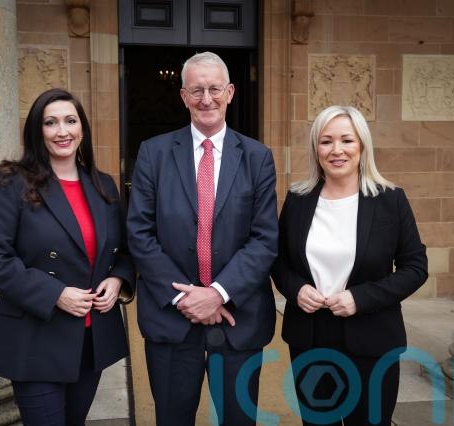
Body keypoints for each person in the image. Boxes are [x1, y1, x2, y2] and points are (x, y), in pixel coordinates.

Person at [127, 51, 278, 425]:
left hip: (238, 319)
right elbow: (139, 233)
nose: (206, 99)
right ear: (183, 96)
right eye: (196, 90)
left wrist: (217, 294)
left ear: (230, 92)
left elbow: (264, 239)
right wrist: (185, 297)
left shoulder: (258, 157)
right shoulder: (153, 153)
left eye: (214, 89)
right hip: (171, 319)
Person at [0, 88, 135, 425]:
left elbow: (124, 250)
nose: (62, 131)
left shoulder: (103, 185)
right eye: (51, 123)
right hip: (36, 338)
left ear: (82, 128)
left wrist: (117, 279)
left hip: (90, 339)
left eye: (70, 121)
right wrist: (55, 294)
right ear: (38, 130)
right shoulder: (12, 181)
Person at [271, 105, 428, 426]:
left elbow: (415, 267)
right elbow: (278, 260)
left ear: (362, 145)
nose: (336, 150)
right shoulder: (298, 199)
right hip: (310, 338)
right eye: (326, 141)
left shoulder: (391, 200)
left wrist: (360, 298)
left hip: (372, 337)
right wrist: (296, 289)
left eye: (346, 140)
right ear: (316, 149)